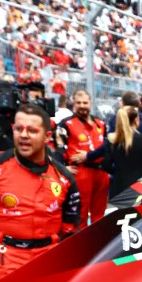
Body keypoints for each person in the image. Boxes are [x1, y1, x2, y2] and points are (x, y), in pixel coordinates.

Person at [0, 104, 79, 282]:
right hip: (4, 259)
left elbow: (70, 226)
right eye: (19, 129)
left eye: (32, 131)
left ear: (47, 137)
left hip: (48, 258)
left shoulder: (64, 177)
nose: (24, 135)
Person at [57, 90, 109, 225]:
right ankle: (80, 241)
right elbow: (57, 148)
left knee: (100, 212)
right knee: (81, 212)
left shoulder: (100, 123)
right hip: (80, 173)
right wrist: (63, 168)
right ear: (73, 104)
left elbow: (106, 147)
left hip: (100, 172)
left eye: (85, 102)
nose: (82, 105)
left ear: (90, 103)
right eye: (78, 103)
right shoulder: (65, 124)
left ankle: (99, 241)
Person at [102, 106, 142, 200]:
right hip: (140, 188)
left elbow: (105, 165)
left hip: (118, 188)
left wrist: (119, 171)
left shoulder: (113, 140)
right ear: (136, 119)